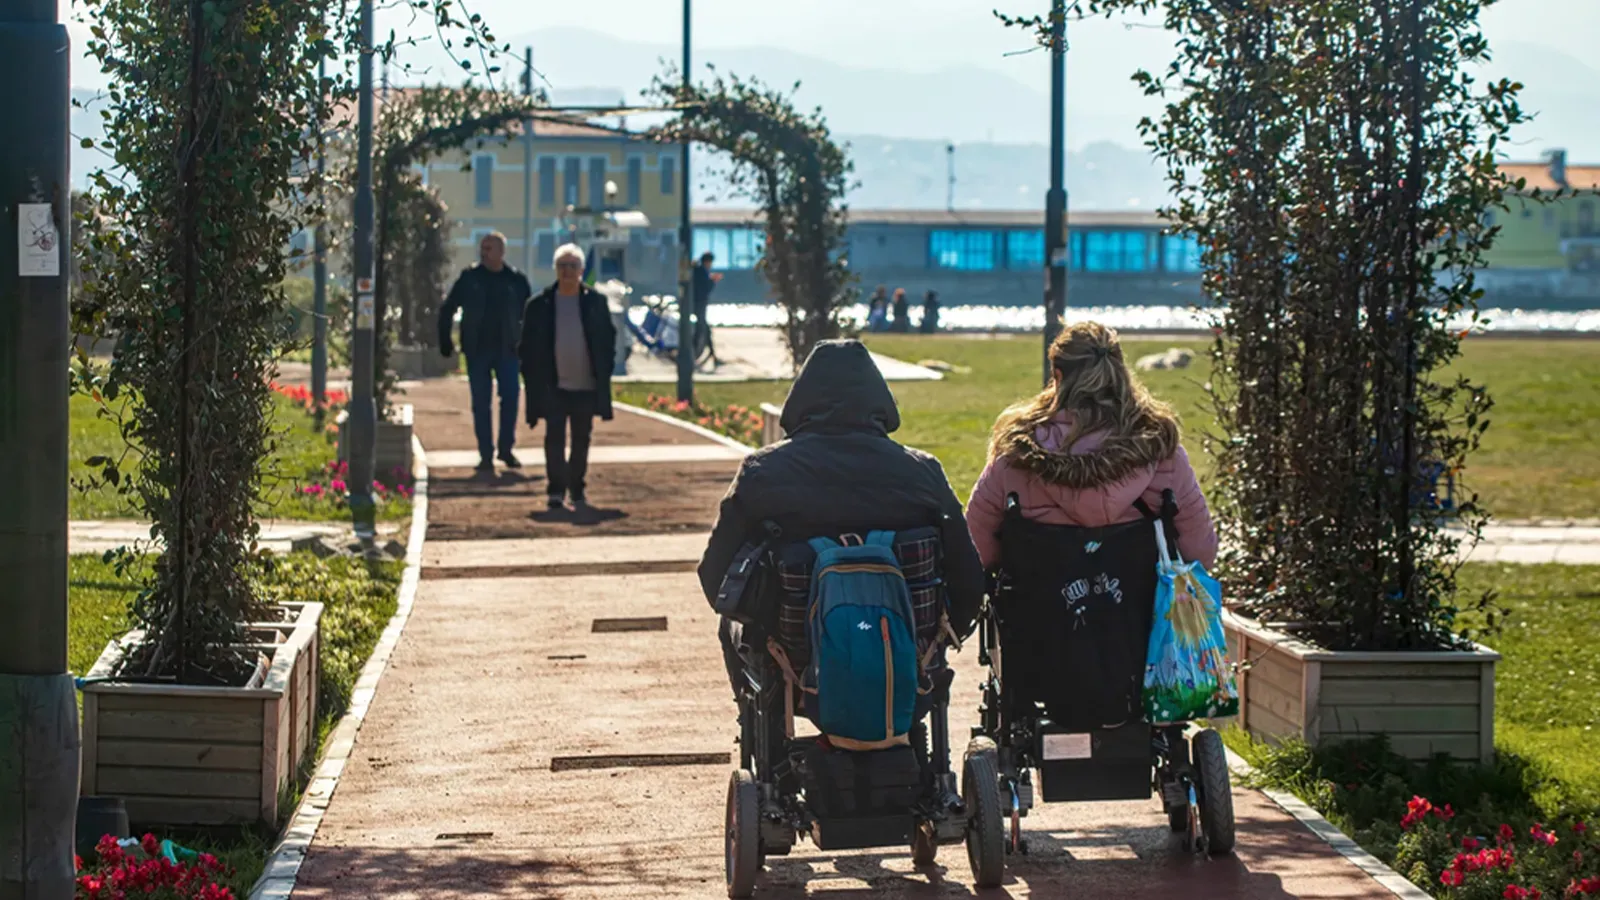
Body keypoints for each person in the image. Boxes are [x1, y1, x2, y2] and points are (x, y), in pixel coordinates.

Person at [699, 339, 986, 705]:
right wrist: (939, 638)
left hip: (797, 663)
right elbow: (968, 577)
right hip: (905, 653)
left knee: (731, 625)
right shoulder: (923, 473)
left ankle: (757, 719)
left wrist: (761, 631)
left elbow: (715, 575)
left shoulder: (762, 473)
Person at [964, 322, 1218, 571]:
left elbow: (974, 551)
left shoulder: (1018, 451)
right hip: (1142, 608)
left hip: (1036, 607)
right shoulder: (1160, 450)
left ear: (1058, 376)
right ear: (1119, 372)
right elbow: (1201, 553)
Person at [520, 243, 618, 511]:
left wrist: (604, 370)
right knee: (554, 438)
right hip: (553, 385)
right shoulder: (539, 305)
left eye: (573, 266)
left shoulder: (596, 303)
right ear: (555, 270)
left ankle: (577, 488)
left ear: (582, 271)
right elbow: (527, 346)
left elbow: (607, 339)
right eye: (562, 266)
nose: (567, 272)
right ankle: (555, 489)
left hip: (585, 385)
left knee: (581, 439)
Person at [438, 231, 532, 471]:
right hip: (477, 349)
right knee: (481, 402)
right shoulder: (470, 279)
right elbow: (448, 307)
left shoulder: (516, 281)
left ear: (502, 251)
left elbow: (531, 315)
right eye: (482, 248)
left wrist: (532, 344)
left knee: (510, 398)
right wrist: (445, 339)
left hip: (508, 350)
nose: (484, 253)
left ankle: (506, 449)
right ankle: (486, 454)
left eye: (489, 248)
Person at [690, 251, 722, 366]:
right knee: (701, 330)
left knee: (704, 330)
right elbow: (705, 288)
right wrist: (713, 281)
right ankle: (692, 355)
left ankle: (711, 356)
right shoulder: (701, 272)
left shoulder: (699, 270)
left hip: (698, 304)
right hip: (699, 304)